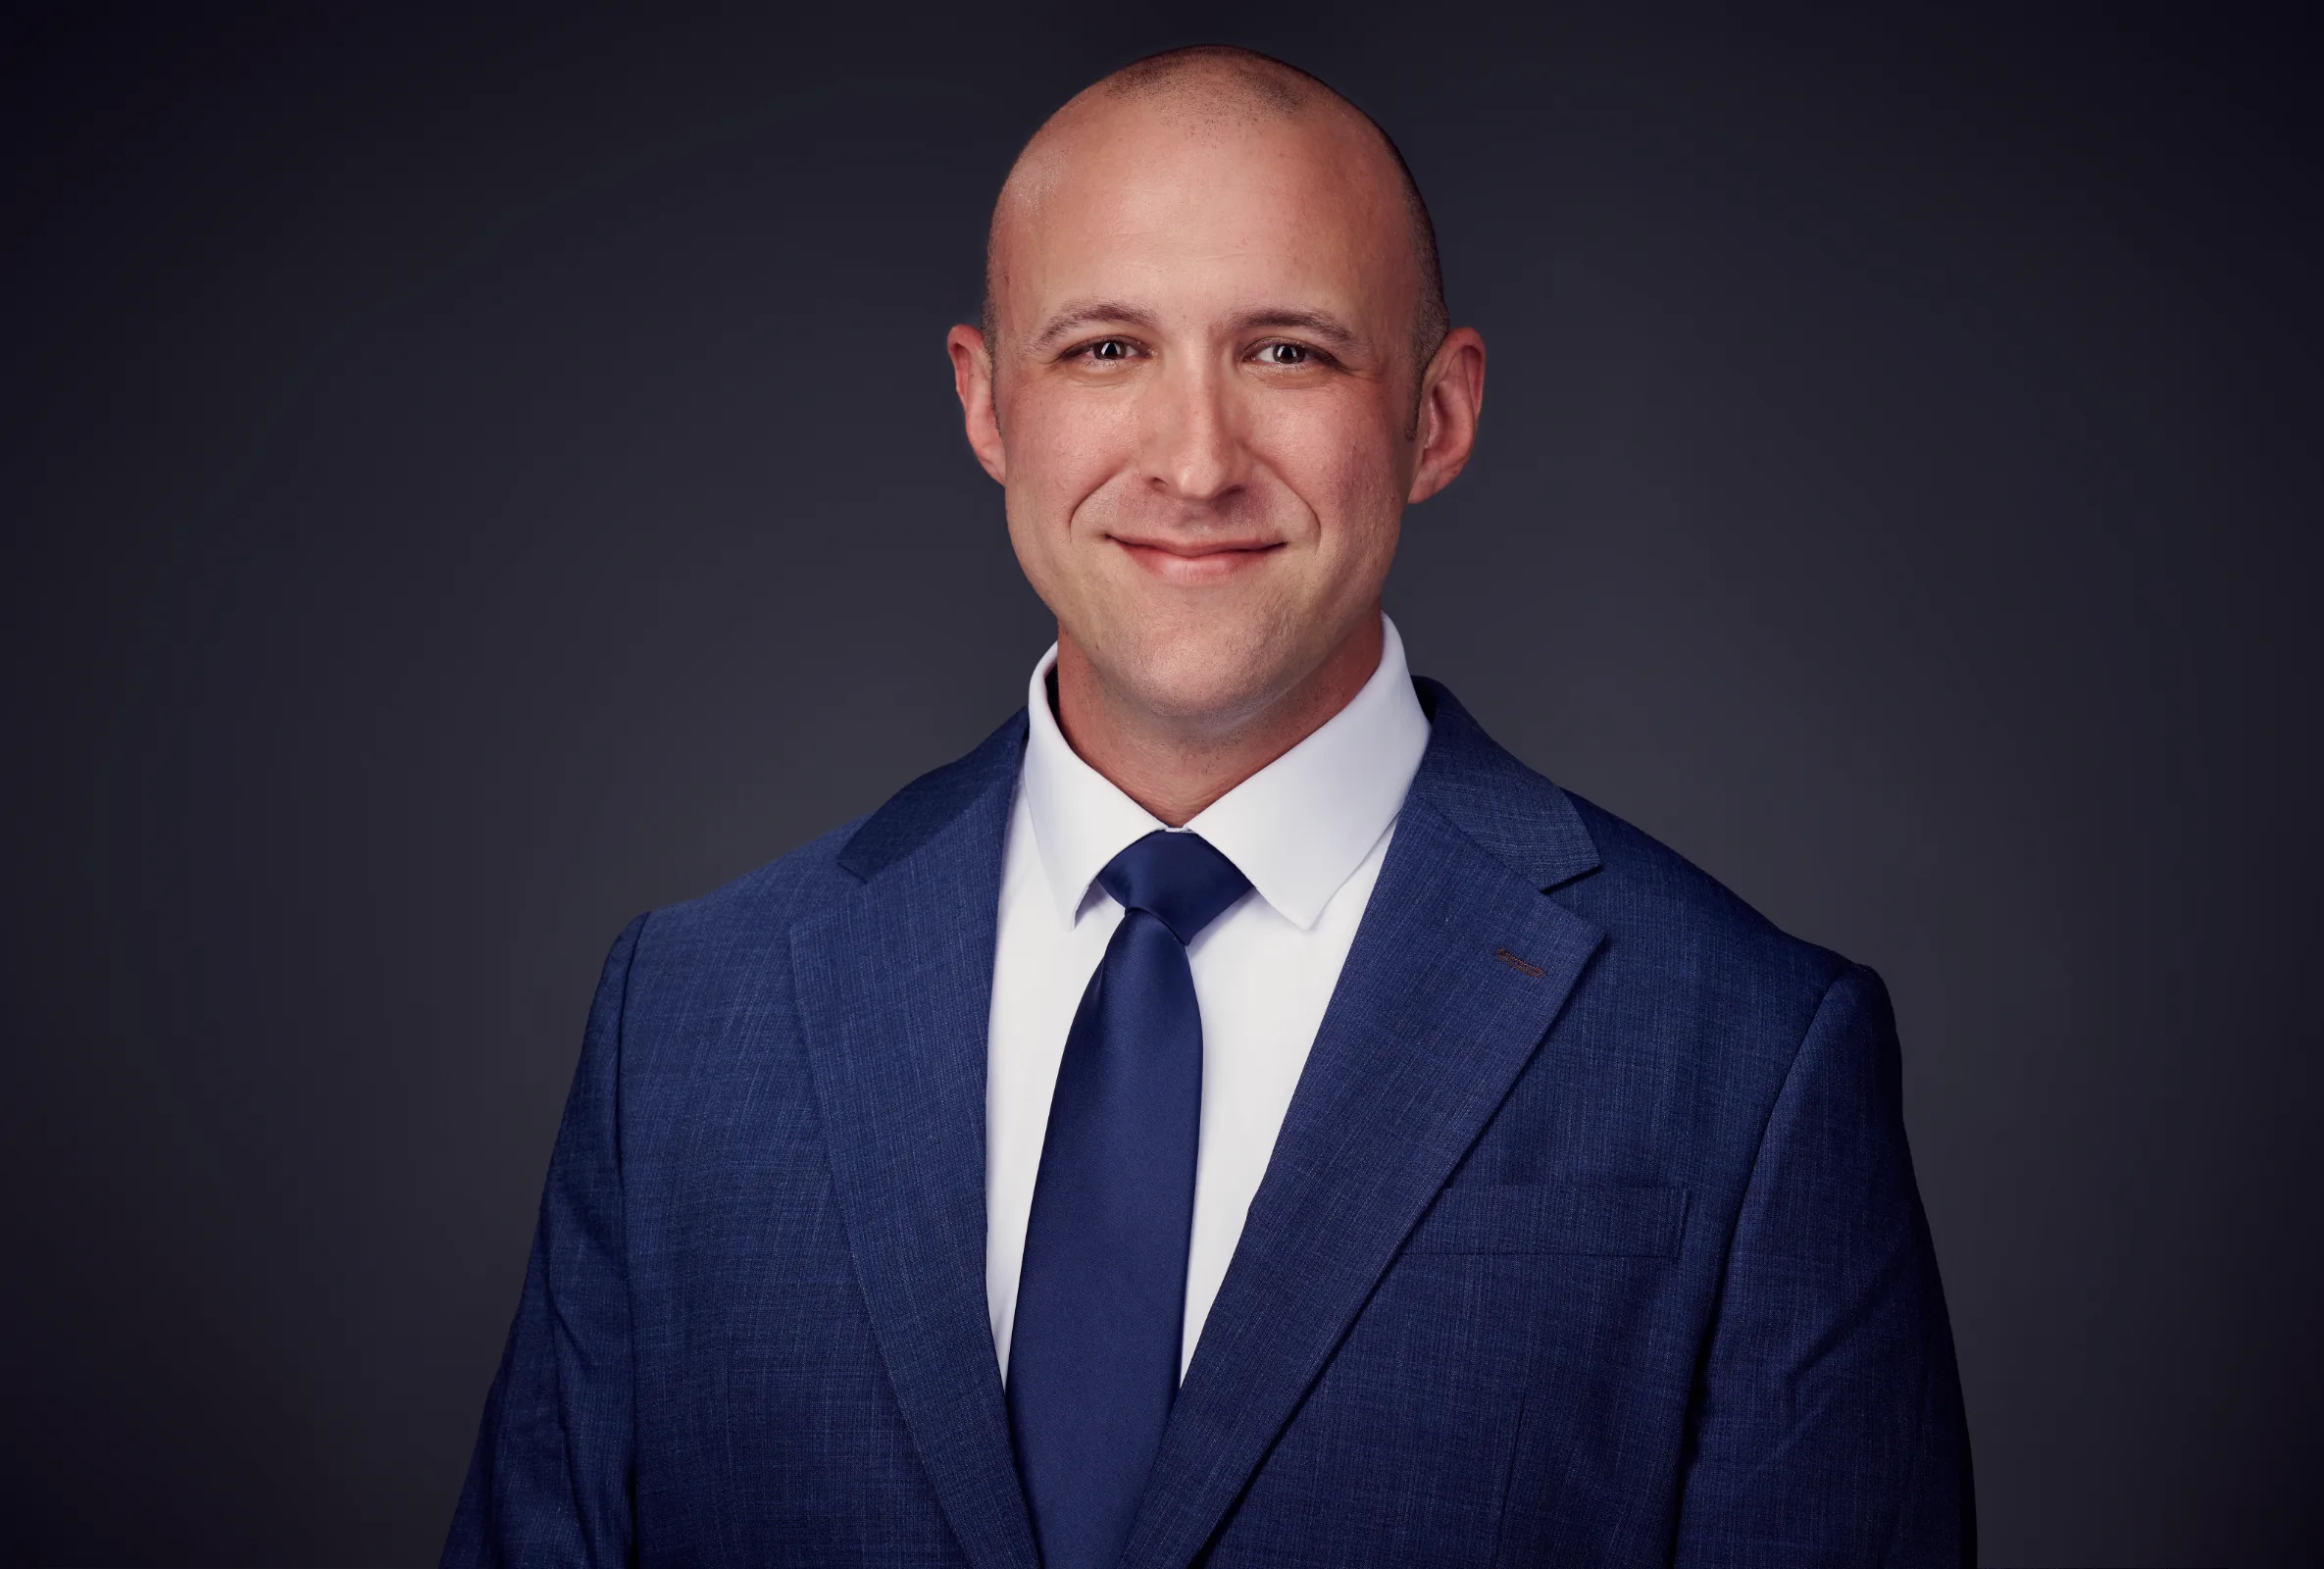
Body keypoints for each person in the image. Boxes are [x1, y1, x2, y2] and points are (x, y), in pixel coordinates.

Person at [443, 44, 1971, 1568]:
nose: (1194, 462)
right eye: (1106, 349)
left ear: (1437, 417)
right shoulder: (689, 1026)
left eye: (1289, 353)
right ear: (988, 405)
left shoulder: (1752, 1059)